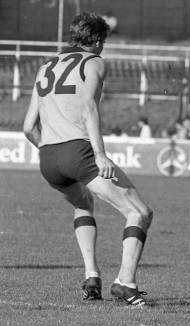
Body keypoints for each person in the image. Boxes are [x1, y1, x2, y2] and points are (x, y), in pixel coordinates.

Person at [22, 12, 153, 306]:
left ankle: (91, 276)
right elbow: (88, 109)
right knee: (140, 212)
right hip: (78, 152)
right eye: (103, 40)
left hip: (49, 157)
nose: (104, 46)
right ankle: (126, 283)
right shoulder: (93, 62)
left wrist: (50, 150)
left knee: (83, 204)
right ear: (95, 40)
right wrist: (99, 154)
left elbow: (28, 127)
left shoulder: (45, 66)